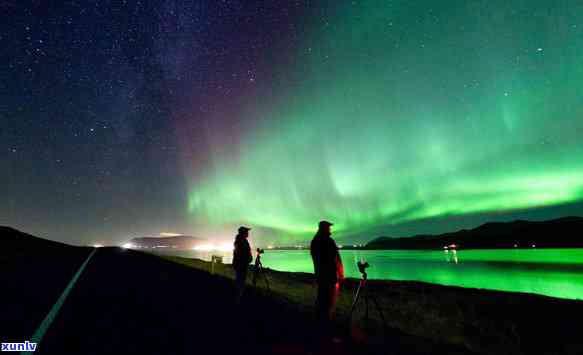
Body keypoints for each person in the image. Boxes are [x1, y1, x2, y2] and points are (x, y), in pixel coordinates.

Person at [310, 220, 344, 338]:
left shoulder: (314, 242)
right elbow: (336, 258)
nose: (330, 230)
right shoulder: (328, 241)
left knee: (321, 301)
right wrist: (341, 274)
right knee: (328, 303)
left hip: (320, 276)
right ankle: (326, 332)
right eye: (329, 228)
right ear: (325, 229)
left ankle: (318, 328)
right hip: (329, 277)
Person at [232, 226, 253, 304]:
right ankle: (237, 300)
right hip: (241, 266)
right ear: (243, 233)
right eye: (246, 232)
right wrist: (248, 259)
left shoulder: (240, 241)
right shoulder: (241, 241)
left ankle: (238, 298)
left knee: (240, 282)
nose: (248, 233)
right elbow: (242, 254)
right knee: (240, 282)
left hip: (240, 265)